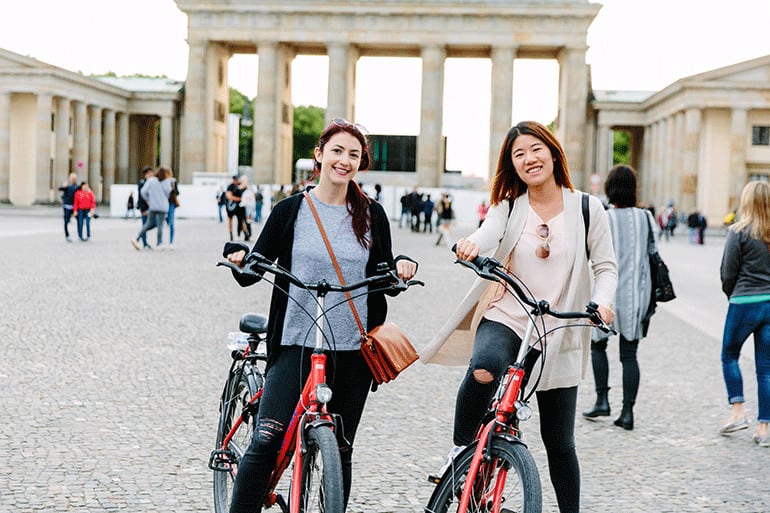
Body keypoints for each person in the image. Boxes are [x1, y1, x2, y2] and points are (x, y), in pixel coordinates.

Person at [420, 121, 617, 513]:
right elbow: (488, 232)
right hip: (509, 313)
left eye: (535, 149)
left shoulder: (586, 207)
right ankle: (461, 455)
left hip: (557, 326)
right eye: (519, 154)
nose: (529, 159)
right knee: (485, 368)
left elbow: (606, 267)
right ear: (512, 164)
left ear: (553, 152)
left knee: (559, 441)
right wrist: (470, 245)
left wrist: (604, 301)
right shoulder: (508, 206)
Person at [223, 118, 419, 512]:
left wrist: (400, 266)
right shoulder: (290, 210)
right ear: (320, 155)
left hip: (351, 348)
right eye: (337, 151)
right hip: (296, 340)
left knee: (340, 449)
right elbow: (255, 266)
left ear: (361, 162)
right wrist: (240, 256)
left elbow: (382, 273)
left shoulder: (372, 214)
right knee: (267, 438)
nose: (344, 160)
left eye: (354, 154)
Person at [582, 165, 655, 431]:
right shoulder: (646, 218)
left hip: (605, 294)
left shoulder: (603, 217)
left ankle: (602, 399)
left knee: (597, 346)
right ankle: (627, 412)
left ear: (609, 188)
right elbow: (653, 253)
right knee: (629, 354)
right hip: (636, 294)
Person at [718, 180, 770, 447]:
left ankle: (738, 412)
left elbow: (728, 272)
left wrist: (733, 295)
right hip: (769, 304)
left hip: (744, 302)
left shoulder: (738, 231)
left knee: (729, 356)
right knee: (766, 369)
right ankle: (764, 428)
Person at [131, 166, 171, 250]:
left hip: (153, 206)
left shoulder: (151, 180)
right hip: (163, 207)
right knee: (160, 226)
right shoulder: (166, 182)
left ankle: (137, 238)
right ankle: (159, 244)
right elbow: (168, 194)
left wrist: (148, 200)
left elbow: (143, 191)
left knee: (147, 224)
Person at [136, 166, 154, 249]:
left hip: (152, 208)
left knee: (149, 224)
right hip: (145, 208)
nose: (151, 174)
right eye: (150, 173)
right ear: (146, 174)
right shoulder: (142, 183)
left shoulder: (151, 182)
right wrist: (143, 209)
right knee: (145, 225)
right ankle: (144, 242)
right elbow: (141, 197)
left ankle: (142, 240)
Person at [58, 172, 79, 242]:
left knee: (79, 220)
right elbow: (59, 188)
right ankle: (67, 236)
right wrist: (63, 186)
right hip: (67, 207)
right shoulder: (66, 186)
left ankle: (80, 234)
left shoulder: (77, 187)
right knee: (66, 222)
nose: (73, 179)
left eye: (74, 178)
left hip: (75, 207)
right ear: (70, 178)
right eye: (72, 178)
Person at [225, 175, 243, 241]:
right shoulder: (230, 186)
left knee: (241, 220)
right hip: (231, 206)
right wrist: (239, 199)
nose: (236, 181)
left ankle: (242, 233)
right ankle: (231, 234)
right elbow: (229, 196)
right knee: (230, 220)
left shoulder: (240, 185)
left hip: (239, 207)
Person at [165, 167, 179, 250]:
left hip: (171, 204)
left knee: (172, 223)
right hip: (163, 204)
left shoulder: (173, 181)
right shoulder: (162, 182)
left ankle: (171, 242)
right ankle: (161, 242)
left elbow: (177, 192)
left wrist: (172, 189)